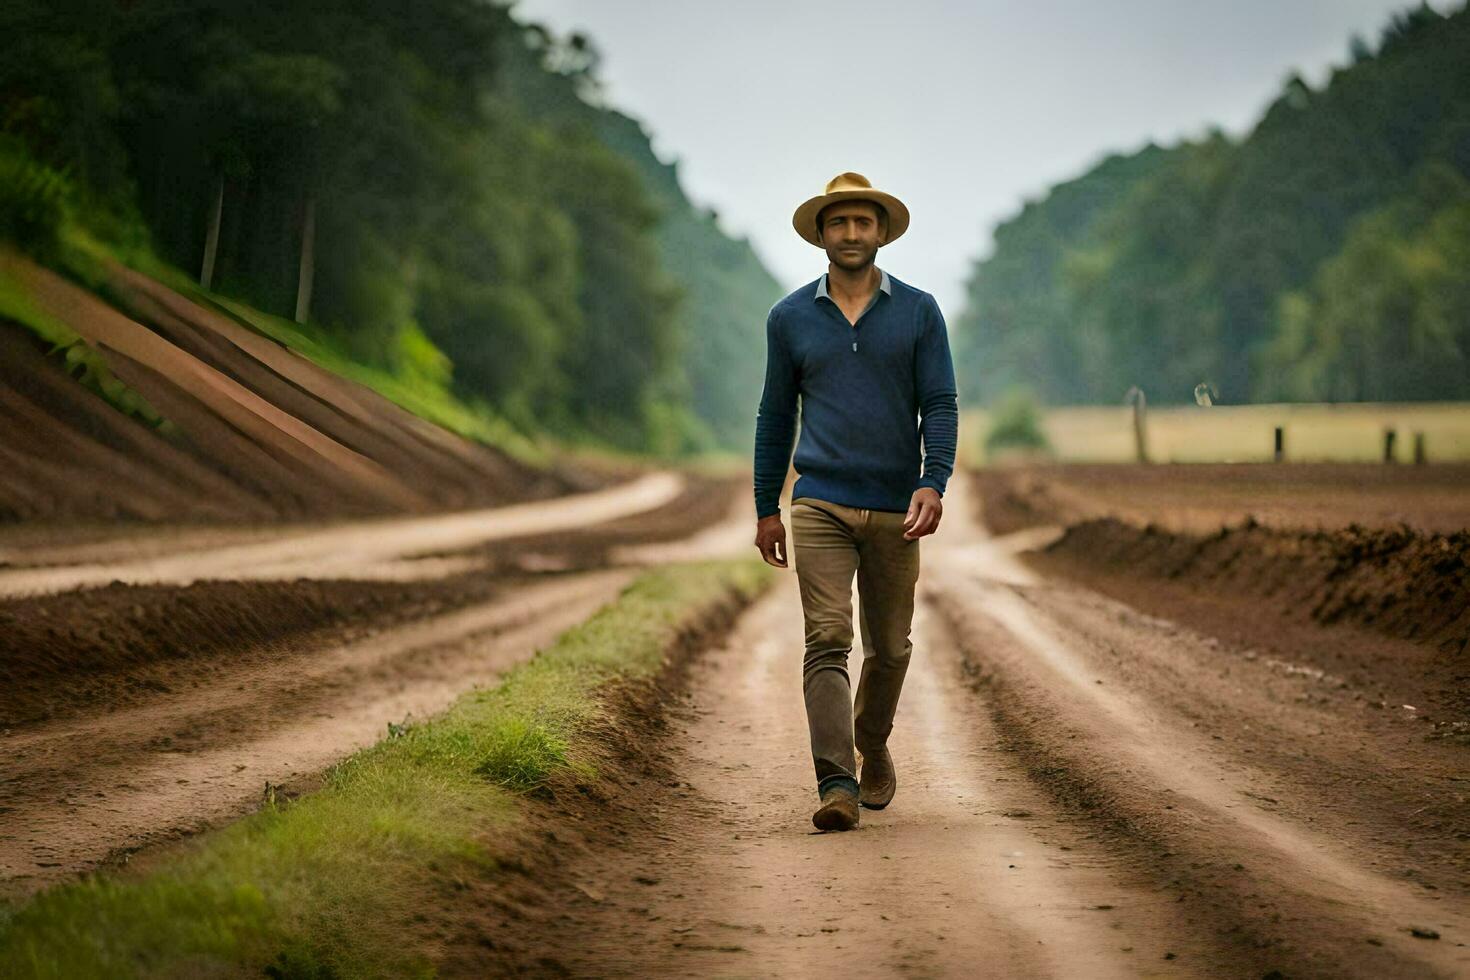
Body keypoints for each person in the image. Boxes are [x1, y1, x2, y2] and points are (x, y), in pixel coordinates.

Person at [751, 171, 959, 832]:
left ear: (881, 233)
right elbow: (774, 417)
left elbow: (941, 404)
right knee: (828, 637)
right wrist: (766, 507)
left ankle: (872, 743)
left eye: (861, 223)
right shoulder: (789, 319)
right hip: (820, 503)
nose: (849, 233)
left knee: (892, 647)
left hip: (898, 506)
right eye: (837, 223)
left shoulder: (919, 312)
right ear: (821, 233)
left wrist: (935, 479)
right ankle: (835, 782)